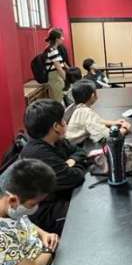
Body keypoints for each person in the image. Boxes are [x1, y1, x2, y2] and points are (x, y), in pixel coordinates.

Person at [20, 99, 88, 232]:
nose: (65, 123)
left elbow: (80, 151)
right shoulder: (38, 154)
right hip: (45, 213)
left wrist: (73, 160)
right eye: (63, 120)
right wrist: (77, 165)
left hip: (61, 195)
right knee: (88, 217)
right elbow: (74, 178)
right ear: (56, 126)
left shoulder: (55, 141)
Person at [0, 159, 59, 265]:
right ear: (13, 200)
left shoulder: (10, 209)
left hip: (46, 262)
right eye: (33, 204)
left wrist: (44, 234)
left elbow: (25, 224)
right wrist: (50, 250)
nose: (36, 208)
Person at [65, 80, 131, 145]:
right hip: (75, 147)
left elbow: (96, 121)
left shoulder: (79, 108)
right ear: (93, 95)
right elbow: (106, 136)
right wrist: (124, 129)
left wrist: (113, 122)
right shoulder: (86, 112)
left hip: (71, 143)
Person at [45, 28, 67, 103]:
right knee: (58, 101)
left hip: (55, 78)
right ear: (57, 39)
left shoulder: (52, 49)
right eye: (62, 37)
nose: (63, 38)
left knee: (56, 99)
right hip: (55, 78)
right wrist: (67, 80)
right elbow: (59, 68)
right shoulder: (53, 51)